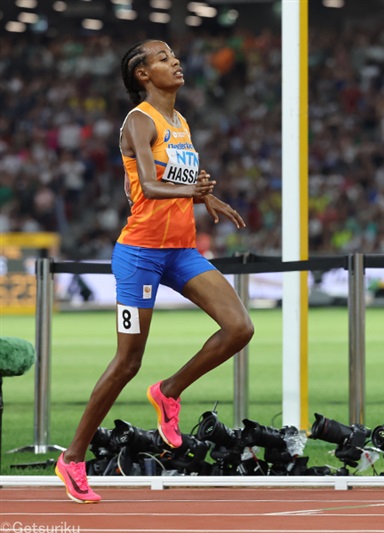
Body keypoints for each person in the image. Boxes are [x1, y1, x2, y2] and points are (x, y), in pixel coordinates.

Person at [55, 40, 255, 504]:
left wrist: (204, 195)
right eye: (163, 59)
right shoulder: (139, 120)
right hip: (140, 254)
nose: (175, 62)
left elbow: (178, 176)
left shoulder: (180, 121)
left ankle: (168, 391)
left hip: (180, 250)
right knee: (127, 361)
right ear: (143, 74)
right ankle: (73, 457)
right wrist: (193, 191)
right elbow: (148, 183)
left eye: (174, 56)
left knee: (239, 327)